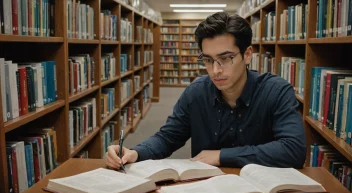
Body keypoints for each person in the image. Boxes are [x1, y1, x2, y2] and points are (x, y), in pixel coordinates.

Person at [105, 12, 306, 170]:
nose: (215, 70)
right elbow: (167, 138)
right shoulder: (196, 92)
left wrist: (221, 155)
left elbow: (294, 149)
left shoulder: (276, 91)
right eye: (208, 60)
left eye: (226, 58)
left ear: (247, 55)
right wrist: (134, 153)